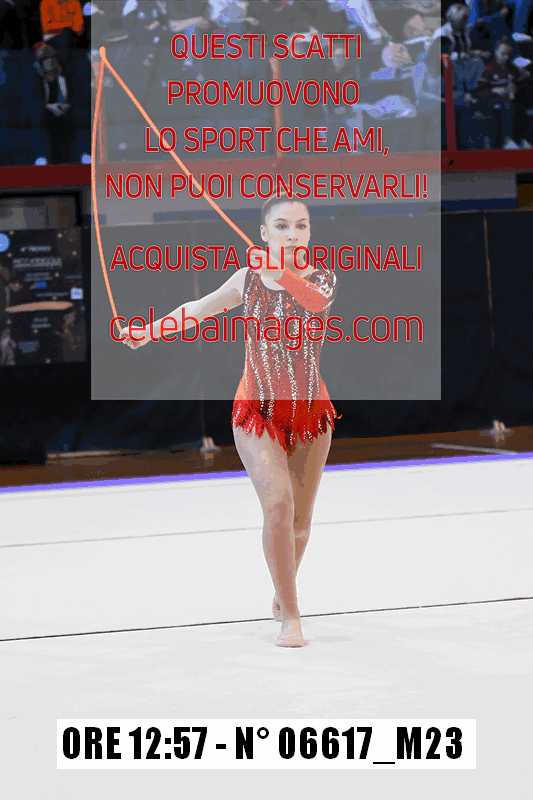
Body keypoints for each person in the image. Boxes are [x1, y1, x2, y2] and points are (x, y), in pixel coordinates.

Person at [120, 196, 341, 648]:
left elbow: (313, 302)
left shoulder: (323, 278)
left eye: (301, 226)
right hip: (256, 413)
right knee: (277, 505)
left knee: (300, 524)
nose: (292, 234)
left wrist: (281, 273)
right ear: (264, 233)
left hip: (309, 413)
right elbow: (198, 308)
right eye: (282, 226)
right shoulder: (247, 280)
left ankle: (281, 589)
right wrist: (149, 332)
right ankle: (291, 616)